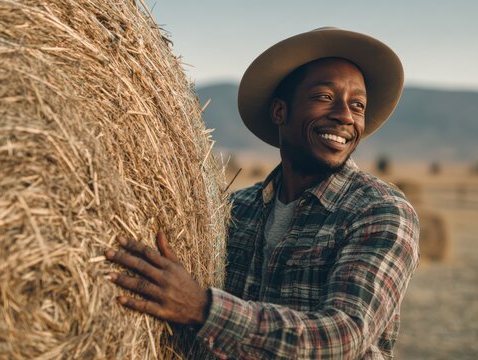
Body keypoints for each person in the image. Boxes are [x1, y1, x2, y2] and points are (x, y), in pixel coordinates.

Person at [105, 27, 420, 359]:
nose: (345, 115)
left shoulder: (381, 211)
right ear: (280, 112)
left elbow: (343, 338)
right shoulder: (235, 210)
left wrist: (202, 308)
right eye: (324, 97)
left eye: (357, 105)